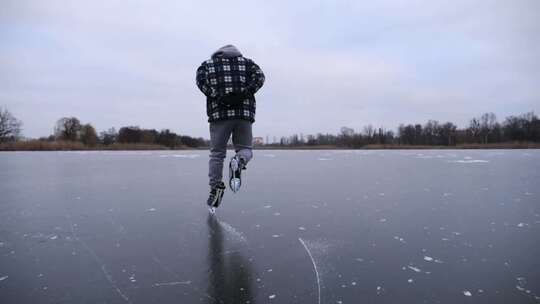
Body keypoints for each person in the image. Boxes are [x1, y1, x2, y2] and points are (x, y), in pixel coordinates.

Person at [196, 44, 265, 212]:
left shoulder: (207, 65)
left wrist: (219, 97)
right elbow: (260, 78)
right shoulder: (249, 64)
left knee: (217, 153)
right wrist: (244, 93)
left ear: (218, 54)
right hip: (243, 114)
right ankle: (239, 160)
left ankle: (216, 188)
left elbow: (201, 82)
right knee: (245, 149)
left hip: (219, 115)